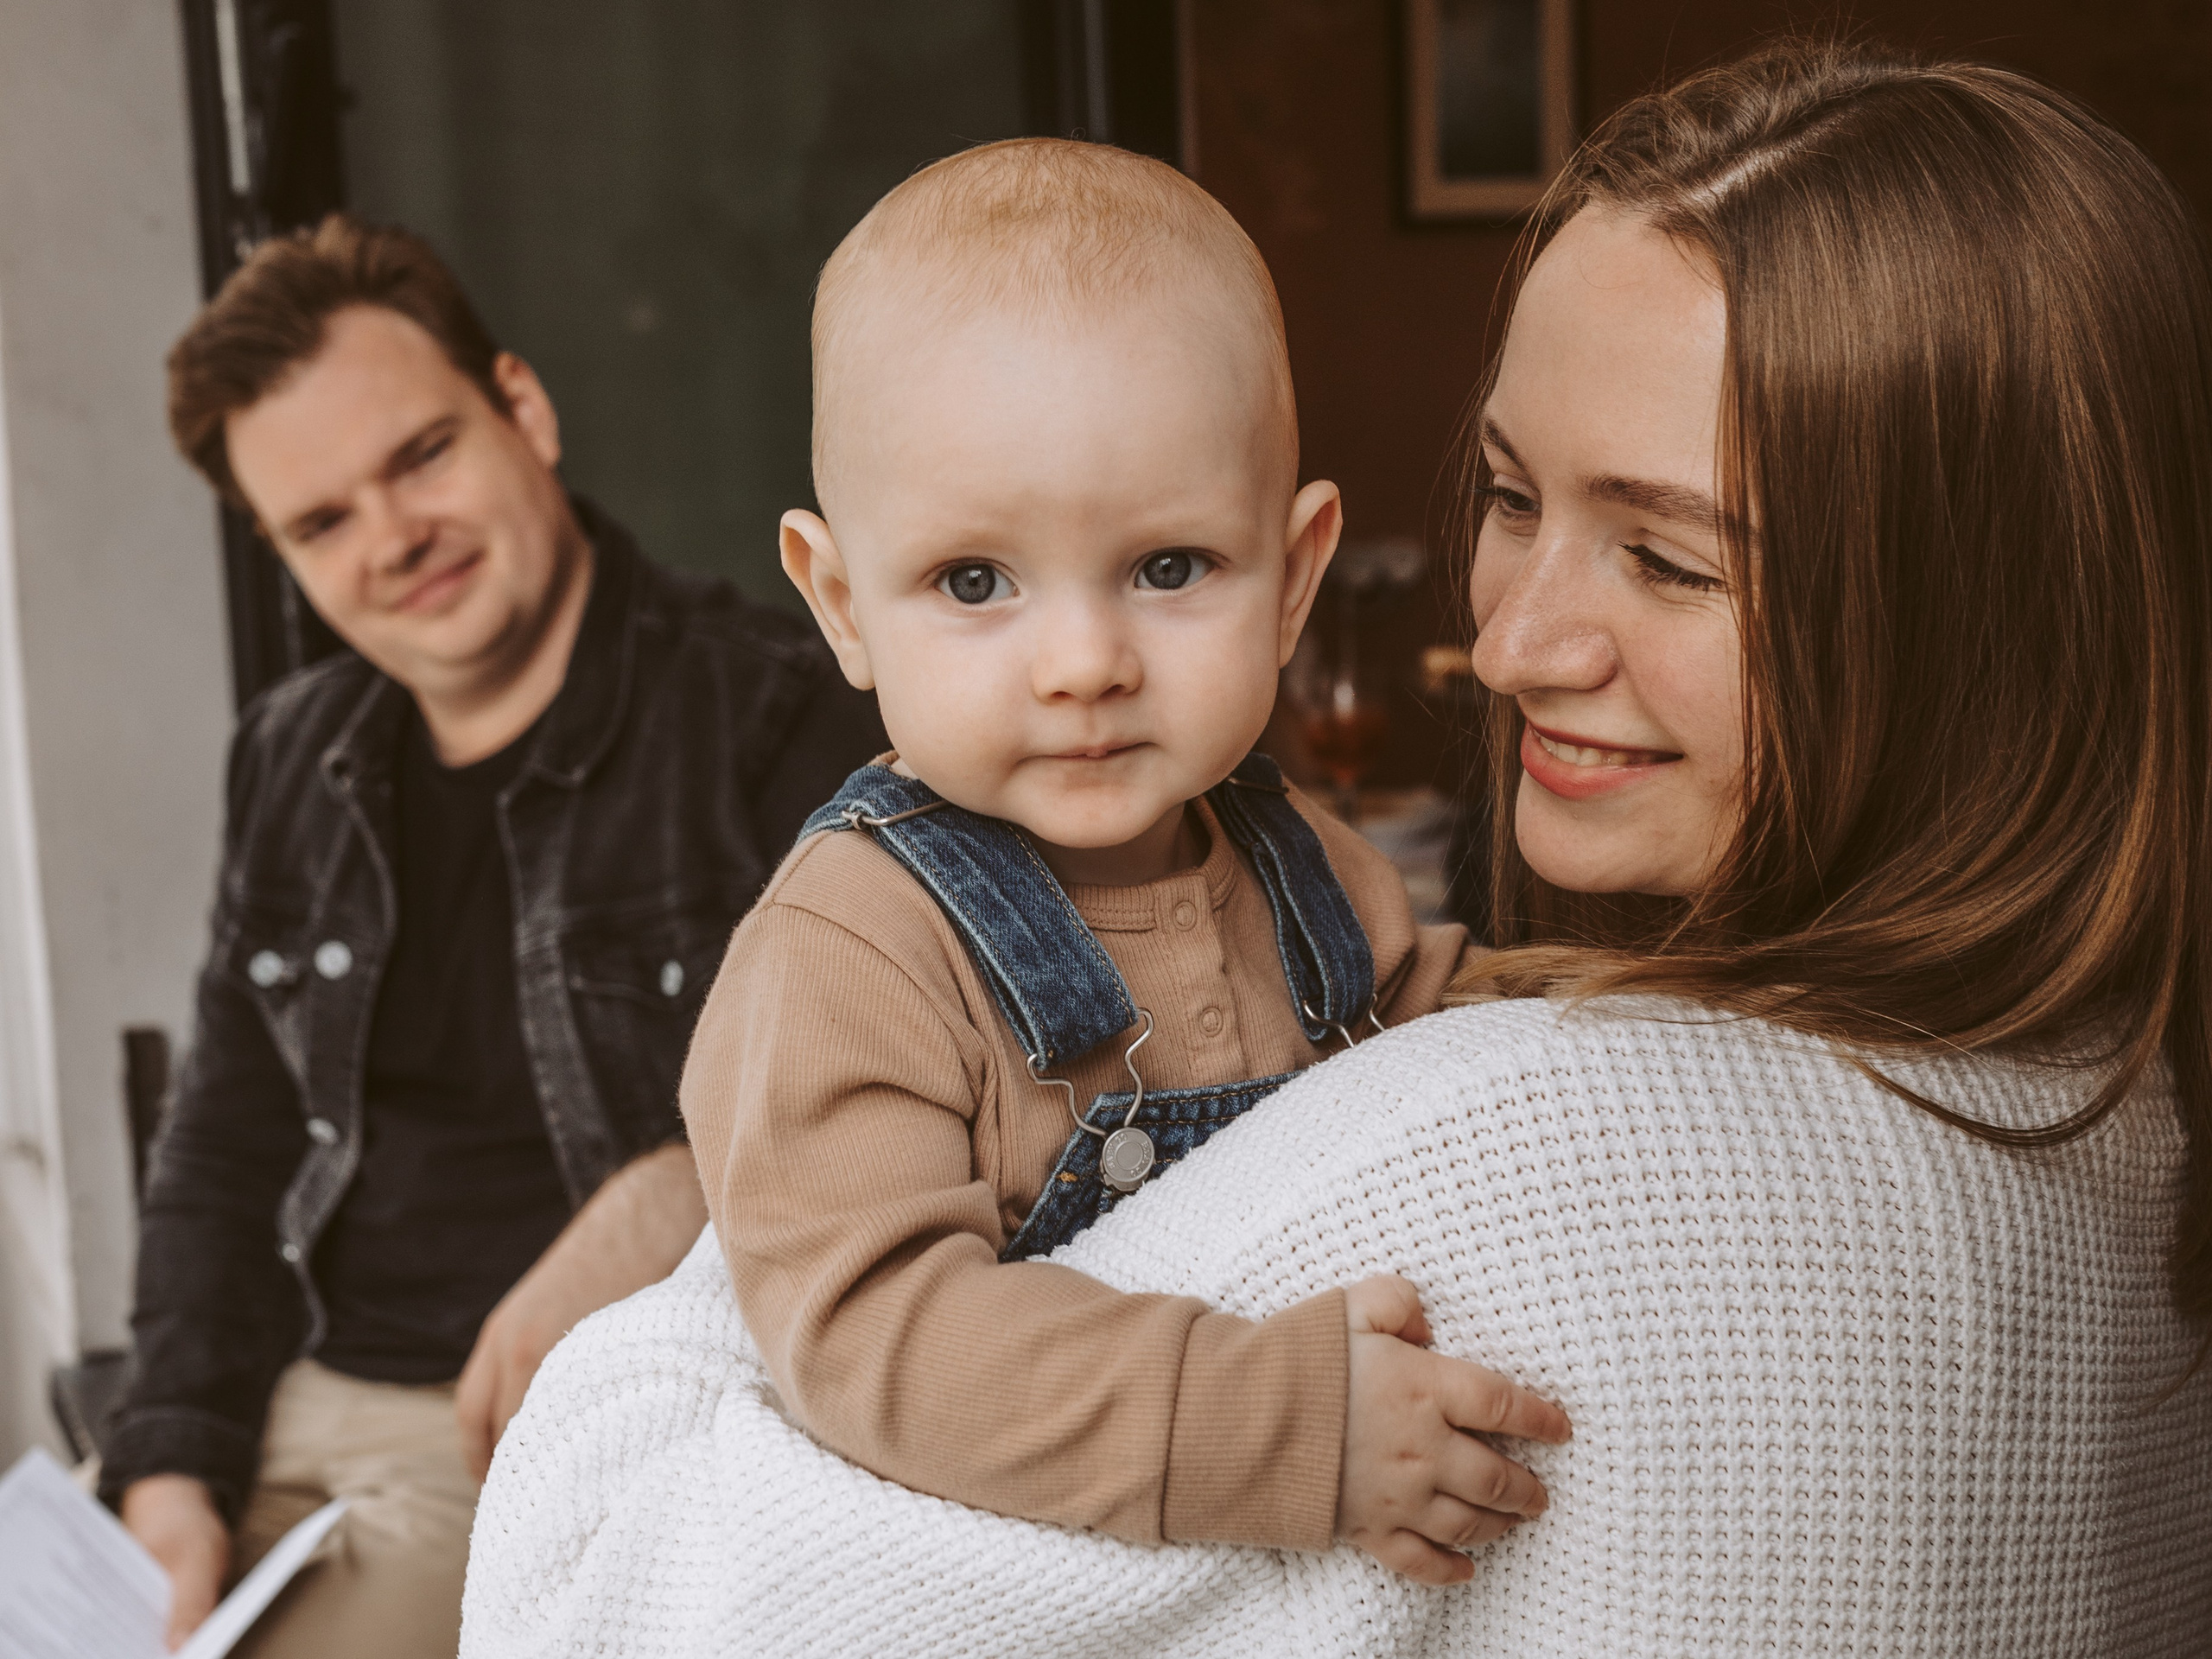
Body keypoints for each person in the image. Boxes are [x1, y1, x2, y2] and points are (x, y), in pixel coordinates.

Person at [461, 38, 2212, 1656]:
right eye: (1511, 499)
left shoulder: (1520, 1126)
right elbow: (878, 1324)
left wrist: (678, 1282)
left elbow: (611, 1588)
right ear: (834, 601)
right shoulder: (2126, 1129)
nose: (1512, 646)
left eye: (1669, 562)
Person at [681, 137, 1568, 1579]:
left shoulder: (1306, 867)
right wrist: (1286, 1426)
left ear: (1293, 581)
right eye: (975, 582)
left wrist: (1662, 1021)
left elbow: (1463, 1056)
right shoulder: (851, 950)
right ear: (842, 603)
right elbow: (875, 1338)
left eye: (1169, 569)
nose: (1085, 662)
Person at [99, 214, 883, 1658]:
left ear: (523, 409)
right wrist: (163, 1466)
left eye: (420, 457)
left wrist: (679, 1190)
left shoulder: (775, 711)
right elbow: (223, 1152)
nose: (395, 541)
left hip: (538, 1433)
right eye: (321, 524)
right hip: (291, 1389)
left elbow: (949, 1080)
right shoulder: (290, 755)